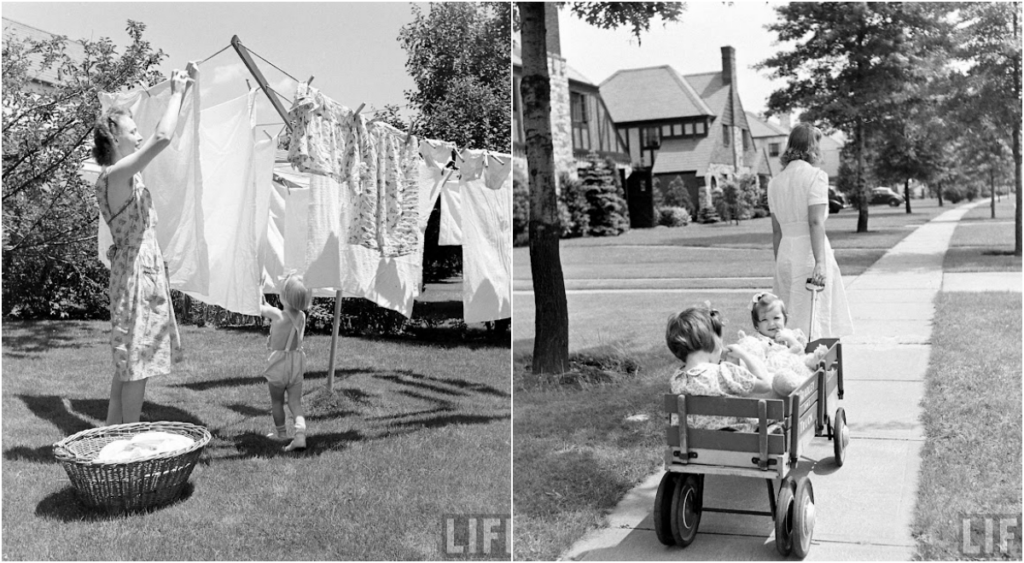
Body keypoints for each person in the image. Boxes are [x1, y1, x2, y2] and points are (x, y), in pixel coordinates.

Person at [93, 63, 196, 426]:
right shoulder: (114, 175)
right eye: (132, 131)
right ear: (114, 138)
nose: (138, 136)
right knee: (135, 364)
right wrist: (178, 92)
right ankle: (129, 438)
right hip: (136, 275)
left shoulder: (127, 177)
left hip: (141, 272)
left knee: (129, 363)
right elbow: (162, 138)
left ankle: (111, 433)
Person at [768, 123, 853, 339]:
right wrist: (821, 262)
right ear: (812, 147)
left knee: (789, 319)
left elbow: (776, 231)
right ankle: (818, 368)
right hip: (810, 254)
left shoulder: (774, 183)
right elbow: (815, 222)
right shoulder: (816, 176)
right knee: (815, 317)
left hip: (786, 254)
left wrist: (779, 262)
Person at [666, 305, 775, 430]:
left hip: (692, 446)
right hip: (739, 443)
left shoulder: (676, 380)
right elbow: (766, 385)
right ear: (713, 340)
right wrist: (744, 355)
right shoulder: (724, 372)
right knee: (776, 422)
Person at [735, 292, 828, 397]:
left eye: (776, 318)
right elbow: (759, 361)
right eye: (765, 320)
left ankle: (816, 361)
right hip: (776, 372)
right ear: (757, 326)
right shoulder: (759, 340)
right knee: (782, 377)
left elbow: (800, 351)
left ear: (785, 319)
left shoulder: (789, 334)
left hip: (795, 364)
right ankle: (798, 385)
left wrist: (789, 338)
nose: (771, 324)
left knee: (805, 361)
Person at [259, 274, 313, 452]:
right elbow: (269, 308)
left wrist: (258, 290)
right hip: (296, 363)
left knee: (277, 402)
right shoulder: (302, 316)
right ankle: (299, 436)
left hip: (279, 364)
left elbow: (260, 308)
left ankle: (281, 434)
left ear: (284, 296)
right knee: (295, 403)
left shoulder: (278, 315)